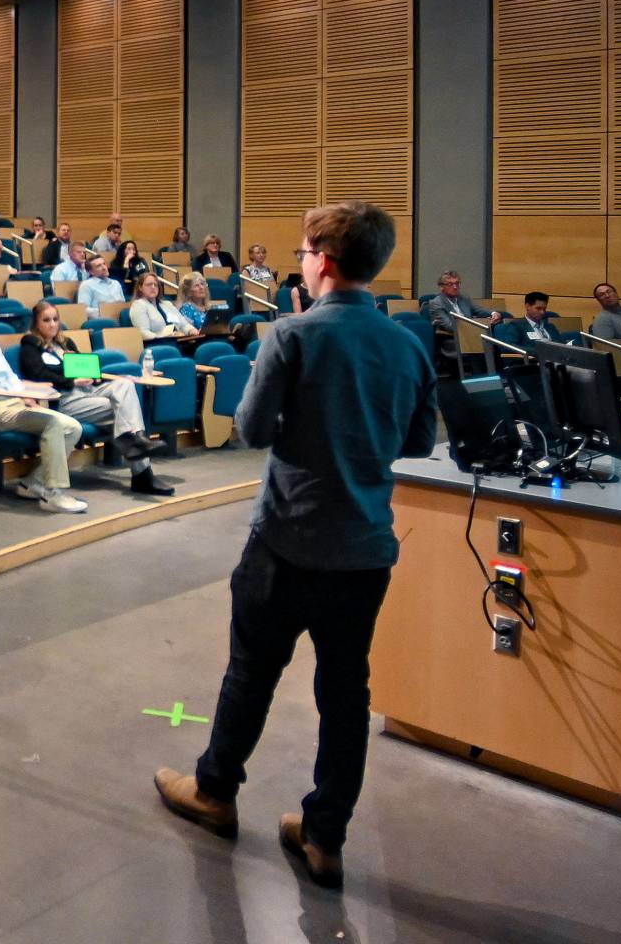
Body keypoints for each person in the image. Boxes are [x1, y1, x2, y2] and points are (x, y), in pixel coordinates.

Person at [154, 200, 436, 888]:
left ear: (324, 260)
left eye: (305, 252)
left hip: (285, 540)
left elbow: (249, 429)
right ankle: (324, 837)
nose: (301, 262)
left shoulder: (292, 333)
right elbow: (421, 442)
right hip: (365, 548)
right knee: (346, 695)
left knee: (251, 672)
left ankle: (215, 794)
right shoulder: (408, 344)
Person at [0, 298, 87, 513]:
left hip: (14, 402)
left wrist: (26, 394)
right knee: (54, 424)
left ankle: (32, 482)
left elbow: (8, 377)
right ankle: (53, 494)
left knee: (73, 427)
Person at [18, 301, 171, 495]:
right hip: (63, 399)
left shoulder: (66, 343)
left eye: (55, 319)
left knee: (125, 385)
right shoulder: (30, 345)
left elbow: (85, 367)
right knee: (122, 413)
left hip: (88, 392)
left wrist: (95, 375)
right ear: (36, 323)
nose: (52, 324)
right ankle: (142, 472)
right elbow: (38, 374)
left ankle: (137, 440)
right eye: (46, 320)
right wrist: (72, 381)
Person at [129, 272, 197, 342]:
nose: (153, 287)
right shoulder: (138, 305)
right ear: (140, 287)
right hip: (158, 344)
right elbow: (143, 333)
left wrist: (191, 330)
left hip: (180, 341)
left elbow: (184, 324)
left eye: (155, 285)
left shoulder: (167, 304)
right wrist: (165, 337)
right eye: (149, 284)